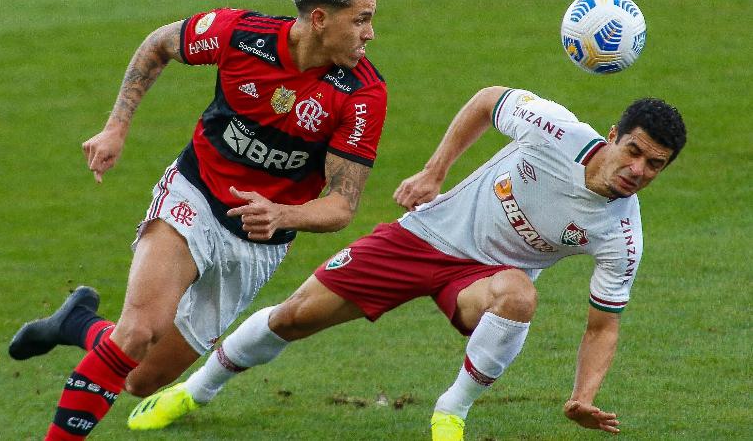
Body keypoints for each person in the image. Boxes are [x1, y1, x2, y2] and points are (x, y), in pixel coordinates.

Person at [126, 86, 687, 440]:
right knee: (293, 317)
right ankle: (196, 390)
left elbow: (603, 324)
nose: (638, 170)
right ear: (613, 137)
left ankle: (451, 412)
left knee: (519, 294)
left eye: (654, 165)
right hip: (422, 236)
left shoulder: (622, 235)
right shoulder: (556, 130)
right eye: (632, 151)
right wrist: (435, 171)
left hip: (481, 280)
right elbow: (488, 100)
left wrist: (583, 396)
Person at [7, 0, 387, 440]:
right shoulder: (238, 35)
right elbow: (157, 45)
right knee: (139, 331)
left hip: (256, 242)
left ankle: (77, 323)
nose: (369, 33)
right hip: (195, 197)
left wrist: (281, 213)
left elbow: (342, 205)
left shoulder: (361, 94)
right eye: (361, 19)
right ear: (319, 19)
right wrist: (116, 127)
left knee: (139, 378)